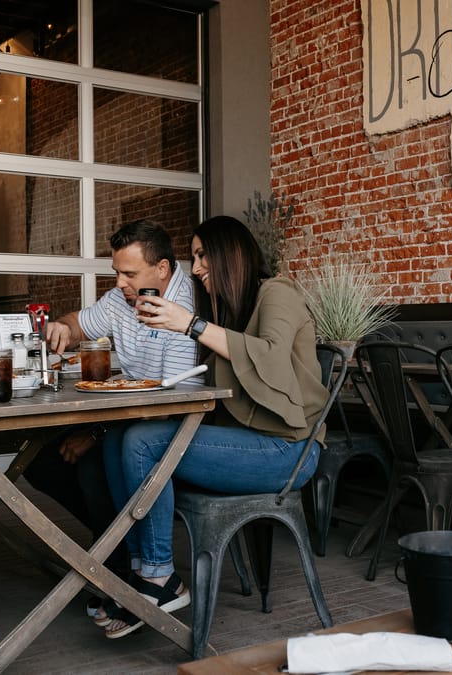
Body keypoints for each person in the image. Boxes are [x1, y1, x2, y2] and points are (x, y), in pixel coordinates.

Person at [97, 215, 330, 638]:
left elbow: (272, 356)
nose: (197, 267)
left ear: (231, 255)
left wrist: (191, 325)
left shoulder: (277, 292)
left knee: (139, 442)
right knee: (118, 438)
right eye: (194, 257)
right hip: (244, 440)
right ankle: (138, 574)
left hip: (288, 451)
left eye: (202, 255)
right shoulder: (228, 311)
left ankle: (159, 576)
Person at [24, 219, 199, 618]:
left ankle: (129, 571)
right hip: (130, 417)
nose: (120, 282)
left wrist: (99, 430)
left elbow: (172, 399)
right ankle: (119, 565)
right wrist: (61, 329)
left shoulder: (182, 309)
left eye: (129, 273)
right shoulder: (122, 298)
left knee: (93, 463)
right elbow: (79, 324)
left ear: (163, 270)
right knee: (46, 460)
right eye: (117, 272)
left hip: (169, 423)